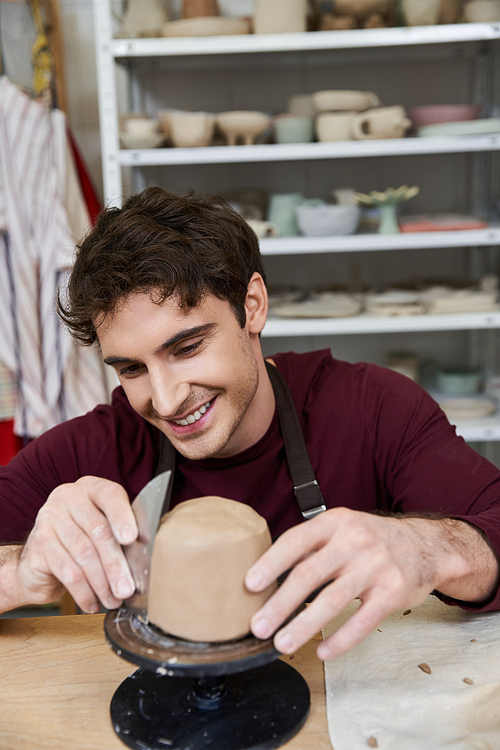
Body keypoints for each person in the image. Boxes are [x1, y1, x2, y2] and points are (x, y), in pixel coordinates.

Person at [1, 187, 499, 662]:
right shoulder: (96, 449)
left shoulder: (372, 409)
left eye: (188, 347)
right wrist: (20, 573)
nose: (167, 400)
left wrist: (429, 546)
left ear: (252, 307)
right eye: (131, 368)